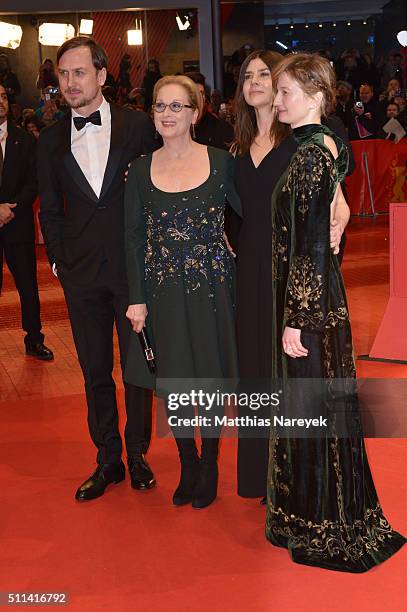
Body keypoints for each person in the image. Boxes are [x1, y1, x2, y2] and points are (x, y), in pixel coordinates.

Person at [267, 52, 406, 572]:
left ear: (317, 97)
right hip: (324, 299)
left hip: (312, 307)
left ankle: (324, 521)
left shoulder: (309, 157)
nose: (277, 100)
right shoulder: (324, 147)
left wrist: (295, 318)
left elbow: (308, 245)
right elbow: (336, 210)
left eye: (285, 92)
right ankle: (316, 513)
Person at [38, 36, 157, 502]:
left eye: (79, 72)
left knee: (137, 369)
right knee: (93, 370)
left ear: (103, 76)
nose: (69, 82)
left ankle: (139, 453)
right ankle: (107, 459)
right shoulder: (48, 141)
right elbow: (49, 208)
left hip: (132, 271)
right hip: (81, 274)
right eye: (64, 75)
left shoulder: (139, 127)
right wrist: (60, 260)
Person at [230, 50, 349, 501]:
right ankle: (258, 473)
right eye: (249, 76)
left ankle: (292, 479)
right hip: (249, 268)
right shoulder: (234, 147)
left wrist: (339, 218)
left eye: (269, 76)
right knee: (256, 370)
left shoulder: (303, 140)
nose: (258, 83)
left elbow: (334, 199)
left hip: (290, 268)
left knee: (292, 372)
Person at [124, 75, 241, 509]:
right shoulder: (138, 169)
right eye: (160, 106)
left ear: (195, 113)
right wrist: (136, 297)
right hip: (160, 291)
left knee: (208, 374)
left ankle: (209, 460)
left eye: (177, 106)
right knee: (172, 378)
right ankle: (186, 460)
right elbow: (132, 238)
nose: (168, 114)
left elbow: (251, 212)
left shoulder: (222, 161)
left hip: (213, 285)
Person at [0, 84, 53, 358]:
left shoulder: (24, 139)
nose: (0, 102)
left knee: (28, 286)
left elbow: (34, 181)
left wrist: (11, 209)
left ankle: (34, 338)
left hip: (17, 223)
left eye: (3, 97)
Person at [186, 72, 234, 150]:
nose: (199, 99)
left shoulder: (221, 128)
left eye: (201, 94)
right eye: (193, 94)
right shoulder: (173, 128)